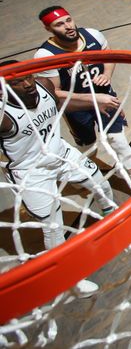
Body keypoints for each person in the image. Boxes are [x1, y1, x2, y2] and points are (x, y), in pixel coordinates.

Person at [0, 60, 117, 296]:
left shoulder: (43, 84)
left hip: (61, 153)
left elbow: (61, 106)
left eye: (28, 78)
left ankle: (111, 219)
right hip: (31, 173)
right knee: (53, 228)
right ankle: (70, 280)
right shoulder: (3, 116)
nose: (27, 84)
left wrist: (95, 102)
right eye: (18, 83)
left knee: (101, 185)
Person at [33, 6, 131, 191]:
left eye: (68, 20)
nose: (68, 26)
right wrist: (92, 99)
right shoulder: (45, 55)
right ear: (49, 29)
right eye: (59, 24)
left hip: (106, 97)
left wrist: (107, 75)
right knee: (88, 146)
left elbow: (109, 54)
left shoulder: (92, 35)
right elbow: (55, 92)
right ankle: (88, 174)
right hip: (76, 107)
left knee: (118, 140)